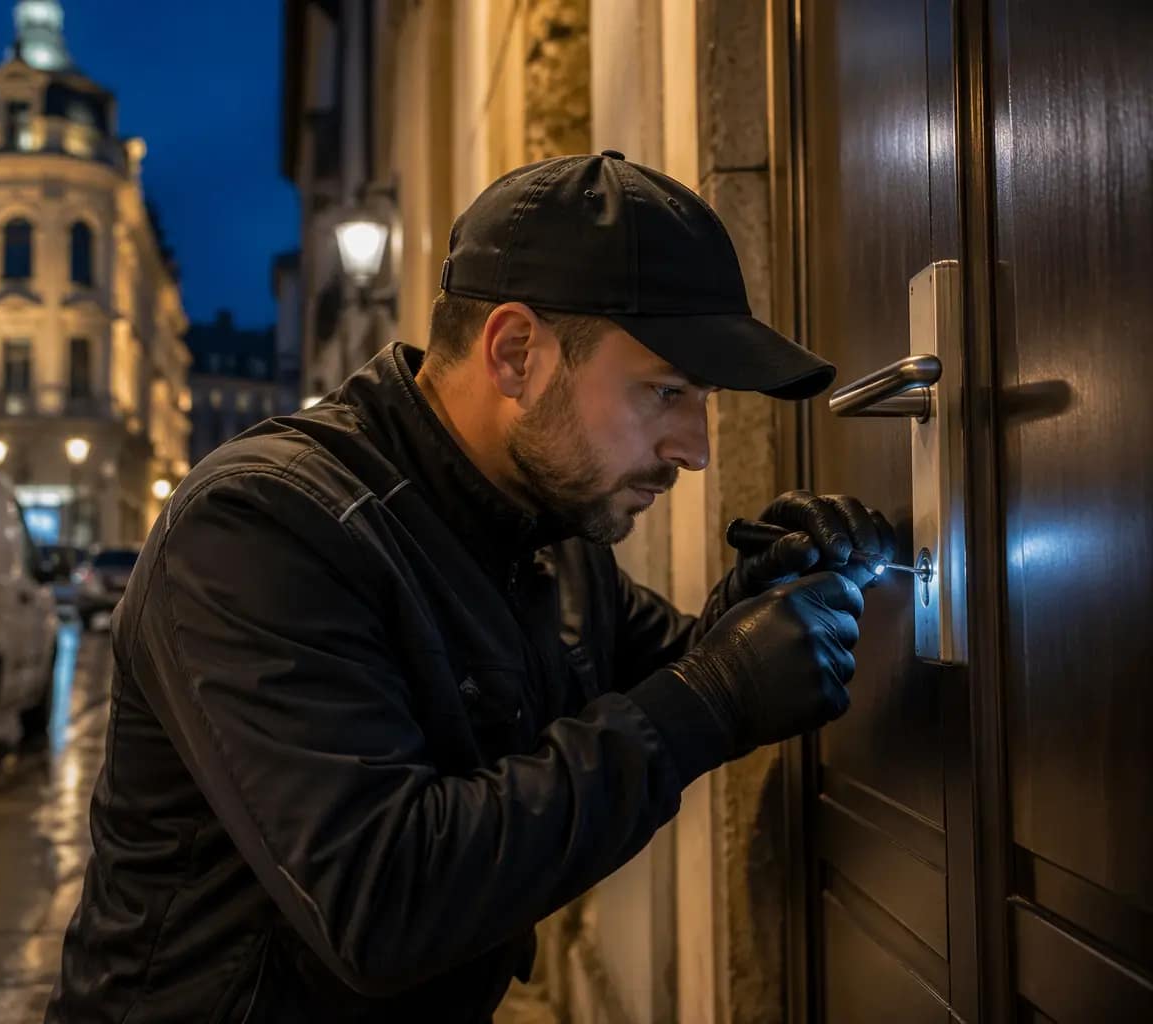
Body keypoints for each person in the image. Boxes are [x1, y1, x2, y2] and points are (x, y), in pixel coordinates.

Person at [49, 152, 896, 1023]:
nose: (696, 447)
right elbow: (383, 900)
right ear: (517, 352)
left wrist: (760, 605)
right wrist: (716, 690)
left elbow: (668, 678)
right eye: (665, 391)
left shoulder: (542, 527)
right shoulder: (263, 527)